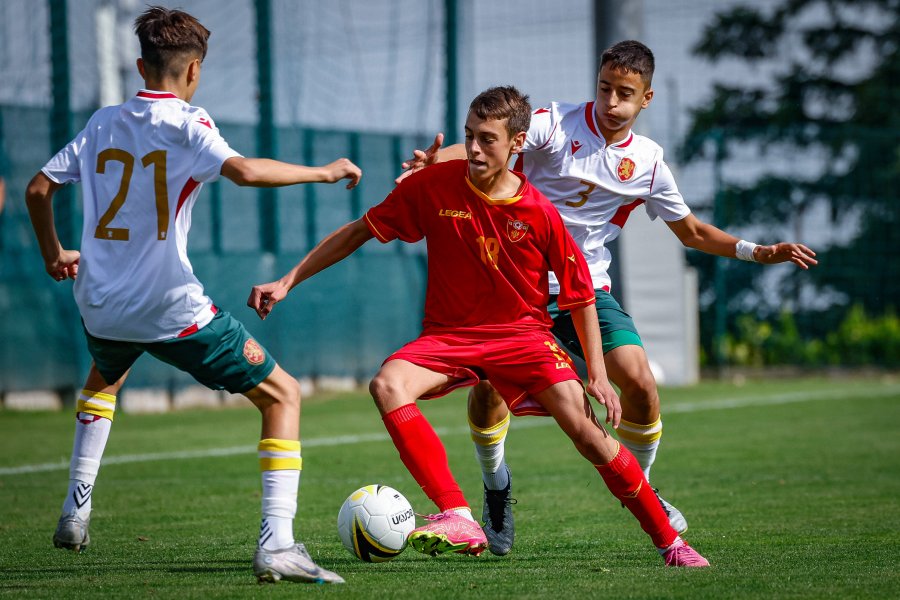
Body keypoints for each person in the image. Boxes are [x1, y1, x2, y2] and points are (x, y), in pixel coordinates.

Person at [248, 85, 709, 567]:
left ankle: (670, 542)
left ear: (517, 143)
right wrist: (288, 280)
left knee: (589, 434)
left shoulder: (540, 212)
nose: (472, 149)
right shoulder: (433, 186)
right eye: (469, 135)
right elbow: (360, 230)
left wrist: (596, 373)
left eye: (486, 139)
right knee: (387, 384)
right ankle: (457, 513)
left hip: (525, 339)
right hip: (448, 338)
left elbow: (579, 295)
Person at [398, 40, 818, 555]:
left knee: (640, 382)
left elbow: (692, 232)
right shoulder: (557, 123)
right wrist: (436, 160)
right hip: (515, 289)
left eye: (625, 93)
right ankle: (495, 488)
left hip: (586, 291)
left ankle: (643, 489)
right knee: (487, 396)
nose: (611, 102)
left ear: (646, 99)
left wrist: (760, 251)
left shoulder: (648, 162)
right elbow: (490, 142)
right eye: (604, 88)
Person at [25, 6, 360, 585]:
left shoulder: (103, 120)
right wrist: (324, 172)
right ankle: (278, 545)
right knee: (283, 395)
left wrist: (55, 254)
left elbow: (37, 189)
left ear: (140, 65)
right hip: (168, 306)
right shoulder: (187, 122)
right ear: (195, 70)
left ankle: (75, 512)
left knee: (105, 376)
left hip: (100, 304)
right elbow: (246, 172)